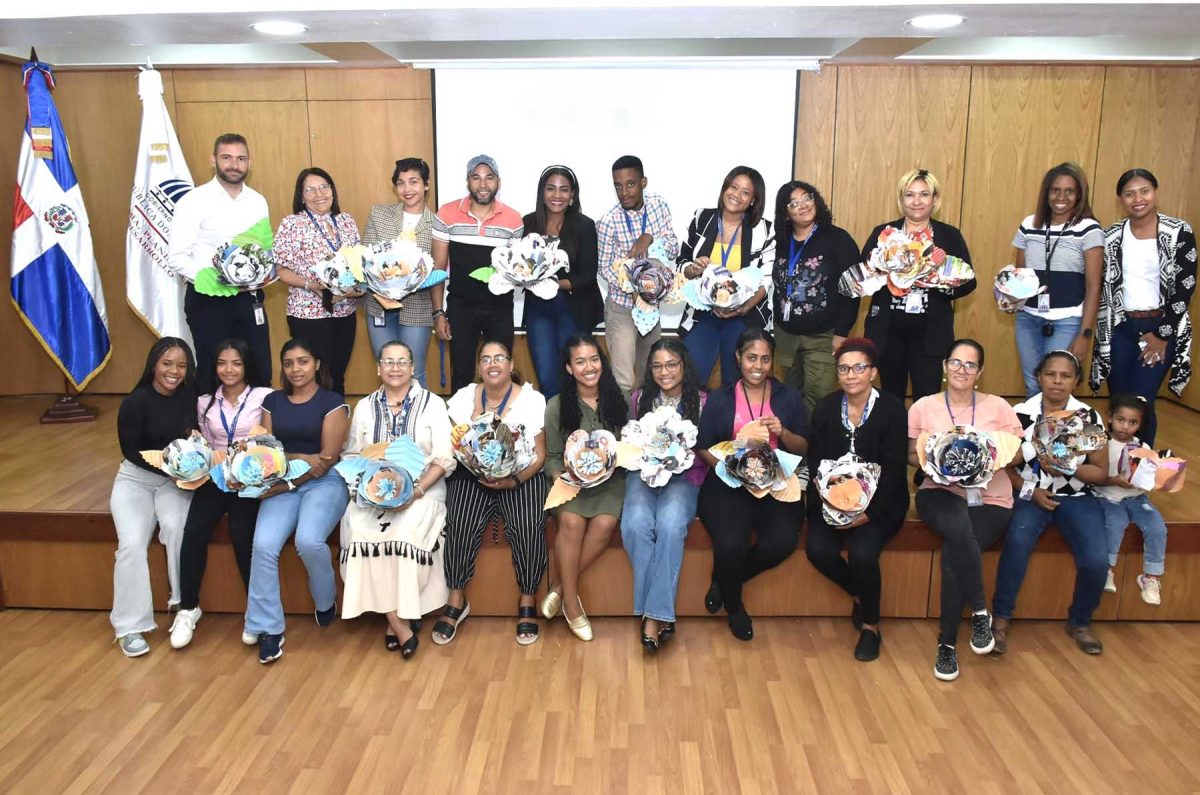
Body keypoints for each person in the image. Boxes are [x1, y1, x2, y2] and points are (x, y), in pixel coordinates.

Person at [908, 339, 1021, 681]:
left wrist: (988, 457)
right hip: (939, 493)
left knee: (954, 552)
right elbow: (910, 454)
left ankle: (946, 645)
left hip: (991, 499)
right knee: (959, 529)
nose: (962, 370)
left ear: (980, 371)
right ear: (944, 366)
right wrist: (933, 459)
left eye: (970, 365)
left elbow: (1017, 452)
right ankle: (981, 612)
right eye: (956, 362)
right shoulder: (924, 406)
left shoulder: (999, 407)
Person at [340, 340, 454, 659]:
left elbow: (444, 457)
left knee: (405, 532)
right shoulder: (365, 407)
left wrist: (416, 491)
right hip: (373, 493)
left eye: (402, 362)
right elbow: (351, 454)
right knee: (359, 531)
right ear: (378, 368)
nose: (395, 368)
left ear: (413, 368)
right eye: (388, 362)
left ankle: (401, 616)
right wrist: (368, 488)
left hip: (422, 489)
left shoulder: (432, 404)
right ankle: (397, 620)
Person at [994, 350, 1109, 656]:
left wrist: (1067, 467)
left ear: (1076, 381)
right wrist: (1029, 491)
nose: (1058, 381)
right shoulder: (1021, 413)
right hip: (1030, 494)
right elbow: (1003, 465)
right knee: (1017, 543)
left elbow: (1100, 472)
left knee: (1097, 559)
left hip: (1077, 497)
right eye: (1051, 374)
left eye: (1066, 376)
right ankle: (1000, 620)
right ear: (1039, 377)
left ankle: (1080, 622)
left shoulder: (1087, 417)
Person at [697, 329, 808, 641]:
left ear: (772, 361)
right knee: (730, 544)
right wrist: (728, 468)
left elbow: (803, 447)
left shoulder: (788, 397)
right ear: (738, 358)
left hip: (776, 481)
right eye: (751, 358)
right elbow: (703, 446)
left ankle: (724, 579)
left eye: (765, 359)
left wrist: (783, 432)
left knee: (782, 542)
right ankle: (734, 607)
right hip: (730, 483)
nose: (758, 365)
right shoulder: (721, 398)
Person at [244, 338, 350, 664]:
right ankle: (268, 628)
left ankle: (325, 600)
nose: (296, 369)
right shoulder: (272, 402)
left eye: (303, 361)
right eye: (289, 363)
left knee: (308, 540)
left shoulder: (333, 402)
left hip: (324, 483)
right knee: (263, 545)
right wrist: (299, 459)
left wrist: (289, 467)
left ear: (316, 364)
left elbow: (326, 460)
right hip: (281, 483)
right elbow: (266, 452)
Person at [804, 338, 908, 662]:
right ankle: (860, 595)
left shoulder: (892, 409)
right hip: (833, 502)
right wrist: (831, 503)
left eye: (859, 367)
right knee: (818, 550)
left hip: (880, 504)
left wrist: (868, 513)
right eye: (844, 369)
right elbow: (816, 462)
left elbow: (895, 470)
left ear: (873, 372)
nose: (851, 375)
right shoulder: (825, 408)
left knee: (863, 553)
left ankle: (871, 626)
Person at [439, 340, 549, 646]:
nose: (493, 363)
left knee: (528, 524)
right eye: (486, 359)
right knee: (460, 520)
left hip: (521, 475)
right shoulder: (463, 398)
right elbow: (456, 445)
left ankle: (527, 599)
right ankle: (456, 598)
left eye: (499, 357)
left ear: (511, 365)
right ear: (479, 367)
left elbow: (539, 455)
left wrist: (514, 480)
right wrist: (477, 468)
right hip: (473, 475)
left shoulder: (532, 399)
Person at [169, 338, 272, 650]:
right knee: (194, 531)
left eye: (236, 363)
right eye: (222, 363)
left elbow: (270, 441)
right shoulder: (204, 402)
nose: (229, 369)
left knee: (243, 536)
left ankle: (257, 613)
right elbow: (204, 443)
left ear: (247, 366)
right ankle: (188, 608)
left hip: (249, 478)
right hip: (215, 477)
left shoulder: (264, 397)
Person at [1090, 168, 1197, 447]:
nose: (1138, 199)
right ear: (1120, 199)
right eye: (1129, 194)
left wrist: (1162, 335)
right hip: (1120, 329)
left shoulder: (1178, 231)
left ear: (1155, 193)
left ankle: (1142, 467)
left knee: (1141, 403)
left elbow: (1185, 286)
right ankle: (1114, 465)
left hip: (1160, 328)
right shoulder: (1111, 235)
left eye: (1144, 191)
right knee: (1119, 403)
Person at [110, 338, 198, 657]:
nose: (174, 371)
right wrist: (171, 470)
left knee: (176, 528)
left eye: (181, 365)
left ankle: (183, 606)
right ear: (153, 365)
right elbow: (131, 451)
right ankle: (129, 626)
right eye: (167, 364)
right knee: (132, 544)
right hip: (136, 479)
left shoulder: (189, 397)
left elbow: (192, 436)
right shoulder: (135, 402)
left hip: (174, 481)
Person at [168, 133, 272, 394]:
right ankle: (210, 420)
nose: (234, 165)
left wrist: (266, 271)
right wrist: (216, 279)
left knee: (258, 368)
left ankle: (258, 421)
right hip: (208, 301)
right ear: (213, 160)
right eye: (227, 157)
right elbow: (176, 256)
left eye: (241, 158)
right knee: (211, 370)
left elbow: (262, 250)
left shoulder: (258, 201)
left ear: (249, 162)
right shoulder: (193, 201)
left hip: (249, 298)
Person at [542, 334, 629, 641]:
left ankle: (559, 588)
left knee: (605, 523)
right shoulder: (556, 406)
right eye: (580, 362)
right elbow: (552, 457)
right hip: (571, 483)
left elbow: (630, 447)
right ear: (569, 368)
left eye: (594, 359)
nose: (589, 367)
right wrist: (563, 478)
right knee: (571, 522)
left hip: (611, 481)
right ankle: (572, 605)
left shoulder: (621, 399)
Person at [859, 169, 975, 401]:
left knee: (928, 398)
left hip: (930, 334)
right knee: (890, 397)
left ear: (934, 199)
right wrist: (885, 270)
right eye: (910, 195)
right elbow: (862, 277)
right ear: (901, 199)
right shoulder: (884, 234)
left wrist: (939, 280)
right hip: (888, 331)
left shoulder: (949, 236)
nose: (917, 201)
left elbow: (968, 281)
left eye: (924, 194)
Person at [622, 338, 707, 652]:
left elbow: (707, 450)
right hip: (643, 474)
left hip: (685, 475)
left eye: (671, 364)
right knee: (635, 524)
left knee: (670, 525)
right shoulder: (639, 398)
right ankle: (659, 612)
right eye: (657, 366)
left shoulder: (703, 401)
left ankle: (653, 617)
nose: (664, 372)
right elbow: (631, 444)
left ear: (684, 365)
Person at [1010, 162, 1104, 397]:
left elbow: (1094, 287)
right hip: (1028, 318)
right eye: (1055, 190)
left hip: (1067, 320)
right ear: (1046, 193)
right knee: (1033, 383)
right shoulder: (1029, 224)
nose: (1061, 197)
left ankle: (1055, 424)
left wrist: (1085, 335)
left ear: (1079, 195)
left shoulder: (1089, 229)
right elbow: (1020, 276)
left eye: (1069, 191)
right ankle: (1035, 423)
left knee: (1055, 388)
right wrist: (1008, 295)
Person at [433, 155, 524, 392]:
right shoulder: (446, 214)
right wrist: (438, 313)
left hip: (500, 309)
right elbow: (438, 269)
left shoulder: (514, 220)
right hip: (461, 308)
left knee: (500, 374)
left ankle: (500, 416)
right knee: (462, 377)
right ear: (468, 181)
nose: (483, 184)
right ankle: (463, 418)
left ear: (498, 182)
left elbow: (516, 269)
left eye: (489, 178)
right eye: (476, 177)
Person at [678, 166, 774, 387]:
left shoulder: (765, 230)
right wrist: (694, 269)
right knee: (691, 379)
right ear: (725, 188)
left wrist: (741, 309)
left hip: (744, 315)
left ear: (754, 200)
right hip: (703, 313)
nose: (736, 195)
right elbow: (682, 262)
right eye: (733, 187)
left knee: (736, 382)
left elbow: (767, 279)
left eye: (745, 192)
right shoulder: (702, 218)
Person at [770, 180, 861, 411]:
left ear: (815, 200)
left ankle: (814, 437)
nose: (802, 205)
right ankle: (793, 436)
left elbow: (853, 288)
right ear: (785, 213)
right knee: (790, 396)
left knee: (819, 397)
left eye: (807, 198)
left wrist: (842, 331)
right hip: (786, 335)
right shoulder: (779, 241)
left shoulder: (838, 239)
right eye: (793, 203)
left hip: (824, 335)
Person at [274, 167, 362, 397]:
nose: (319, 194)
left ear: (332, 190)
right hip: (308, 313)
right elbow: (281, 270)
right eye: (310, 190)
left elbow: (357, 263)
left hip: (345, 311)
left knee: (337, 374)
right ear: (301, 196)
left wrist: (356, 287)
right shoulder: (292, 224)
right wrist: (311, 285)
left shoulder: (346, 221)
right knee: (314, 378)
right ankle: (311, 419)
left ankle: (337, 418)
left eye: (324, 187)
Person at [596, 155, 681, 391]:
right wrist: (634, 289)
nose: (624, 192)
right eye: (618, 186)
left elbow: (673, 248)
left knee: (651, 373)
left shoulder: (658, 206)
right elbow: (604, 267)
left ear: (643, 182)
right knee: (623, 379)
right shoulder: (608, 222)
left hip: (651, 308)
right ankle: (621, 416)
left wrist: (649, 237)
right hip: (622, 307)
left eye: (631, 184)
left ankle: (646, 416)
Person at [522, 165, 602, 398]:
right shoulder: (528, 223)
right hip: (538, 309)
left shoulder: (585, 225)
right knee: (547, 378)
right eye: (551, 189)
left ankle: (577, 421)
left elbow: (588, 275)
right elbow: (519, 265)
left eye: (564, 189)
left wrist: (554, 284)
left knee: (574, 378)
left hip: (573, 308)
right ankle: (555, 420)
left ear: (572, 195)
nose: (557, 195)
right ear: (542, 192)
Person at [361, 158, 439, 386]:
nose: (407, 189)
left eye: (414, 182)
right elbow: (366, 259)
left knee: (414, 372)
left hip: (417, 307)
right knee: (387, 371)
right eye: (401, 183)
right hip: (379, 305)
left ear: (426, 184)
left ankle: (417, 411)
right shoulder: (379, 214)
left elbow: (436, 267)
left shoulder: (437, 223)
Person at [1097, 394, 1168, 606]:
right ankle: (1107, 569)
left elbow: (1150, 476)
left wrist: (1158, 477)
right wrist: (1115, 480)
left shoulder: (1142, 448)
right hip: (1107, 496)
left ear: (1140, 425)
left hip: (1135, 497)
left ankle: (1151, 577)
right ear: (1110, 418)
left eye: (1133, 422)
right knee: (1115, 523)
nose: (1125, 427)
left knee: (1157, 527)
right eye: (1121, 420)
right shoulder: (1101, 443)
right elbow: (1093, 476)